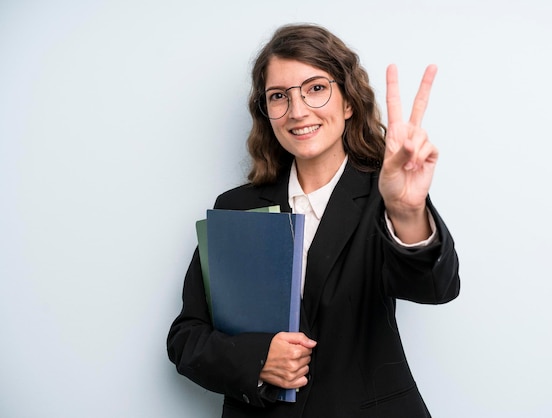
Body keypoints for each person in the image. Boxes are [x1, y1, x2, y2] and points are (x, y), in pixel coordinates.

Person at [167, 23, 460, 418]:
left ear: (348, 101)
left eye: (316, 88)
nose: (298, 110)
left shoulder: (386, 196)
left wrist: (407, 211)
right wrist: (258, 361)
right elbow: (186, 338)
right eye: (279, 97)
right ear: (267, 113)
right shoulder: (237, 208)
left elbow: (435, 287)